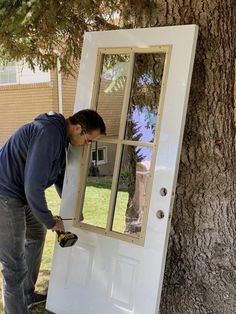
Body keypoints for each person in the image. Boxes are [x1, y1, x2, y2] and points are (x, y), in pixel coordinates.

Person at [0, 109, 106, 314]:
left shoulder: (59, 138)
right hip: (5, 194)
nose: (87, 146)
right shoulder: (49, 134)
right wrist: (50, 221)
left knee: (36, 234)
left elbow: (59, 178)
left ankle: (27, 293)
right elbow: (33, 186)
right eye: (88, 140)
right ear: (77, 128)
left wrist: (74, 210)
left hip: (18, 194)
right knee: (14, 266)